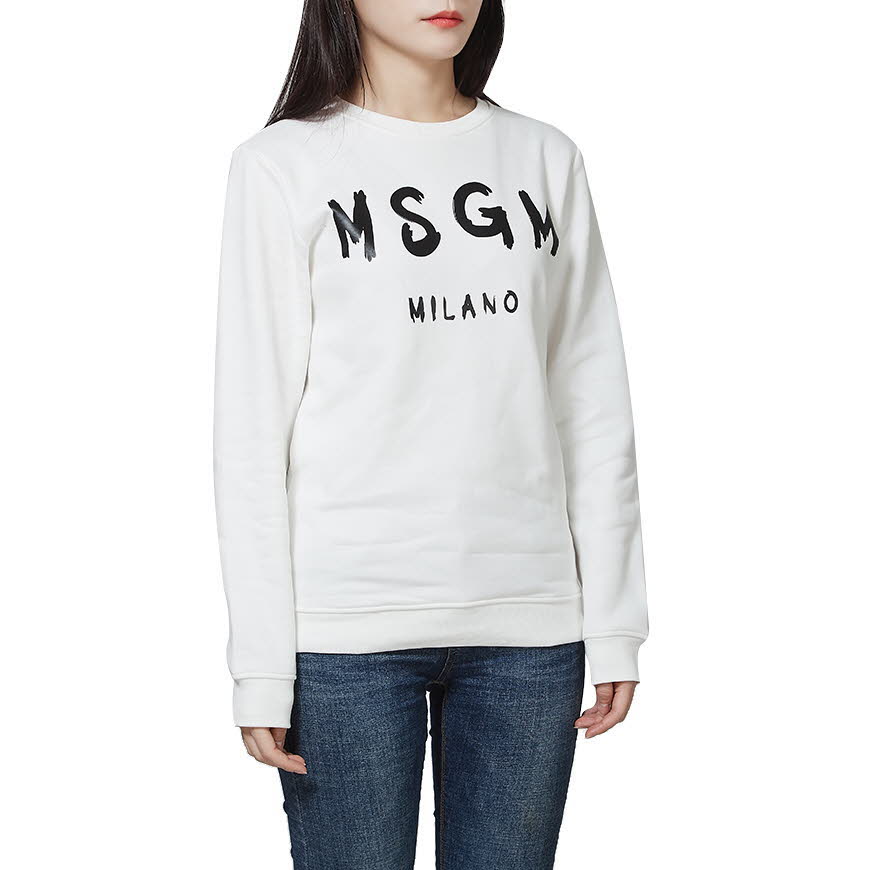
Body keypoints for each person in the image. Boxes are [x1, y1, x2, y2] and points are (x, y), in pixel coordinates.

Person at [213, 1, 649, 867]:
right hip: (344, 632)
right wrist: (259, 663)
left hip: (530, 626)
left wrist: (615, 621)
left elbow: (592, 401)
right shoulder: (281, 165)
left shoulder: (544, 157)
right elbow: (252, 428)